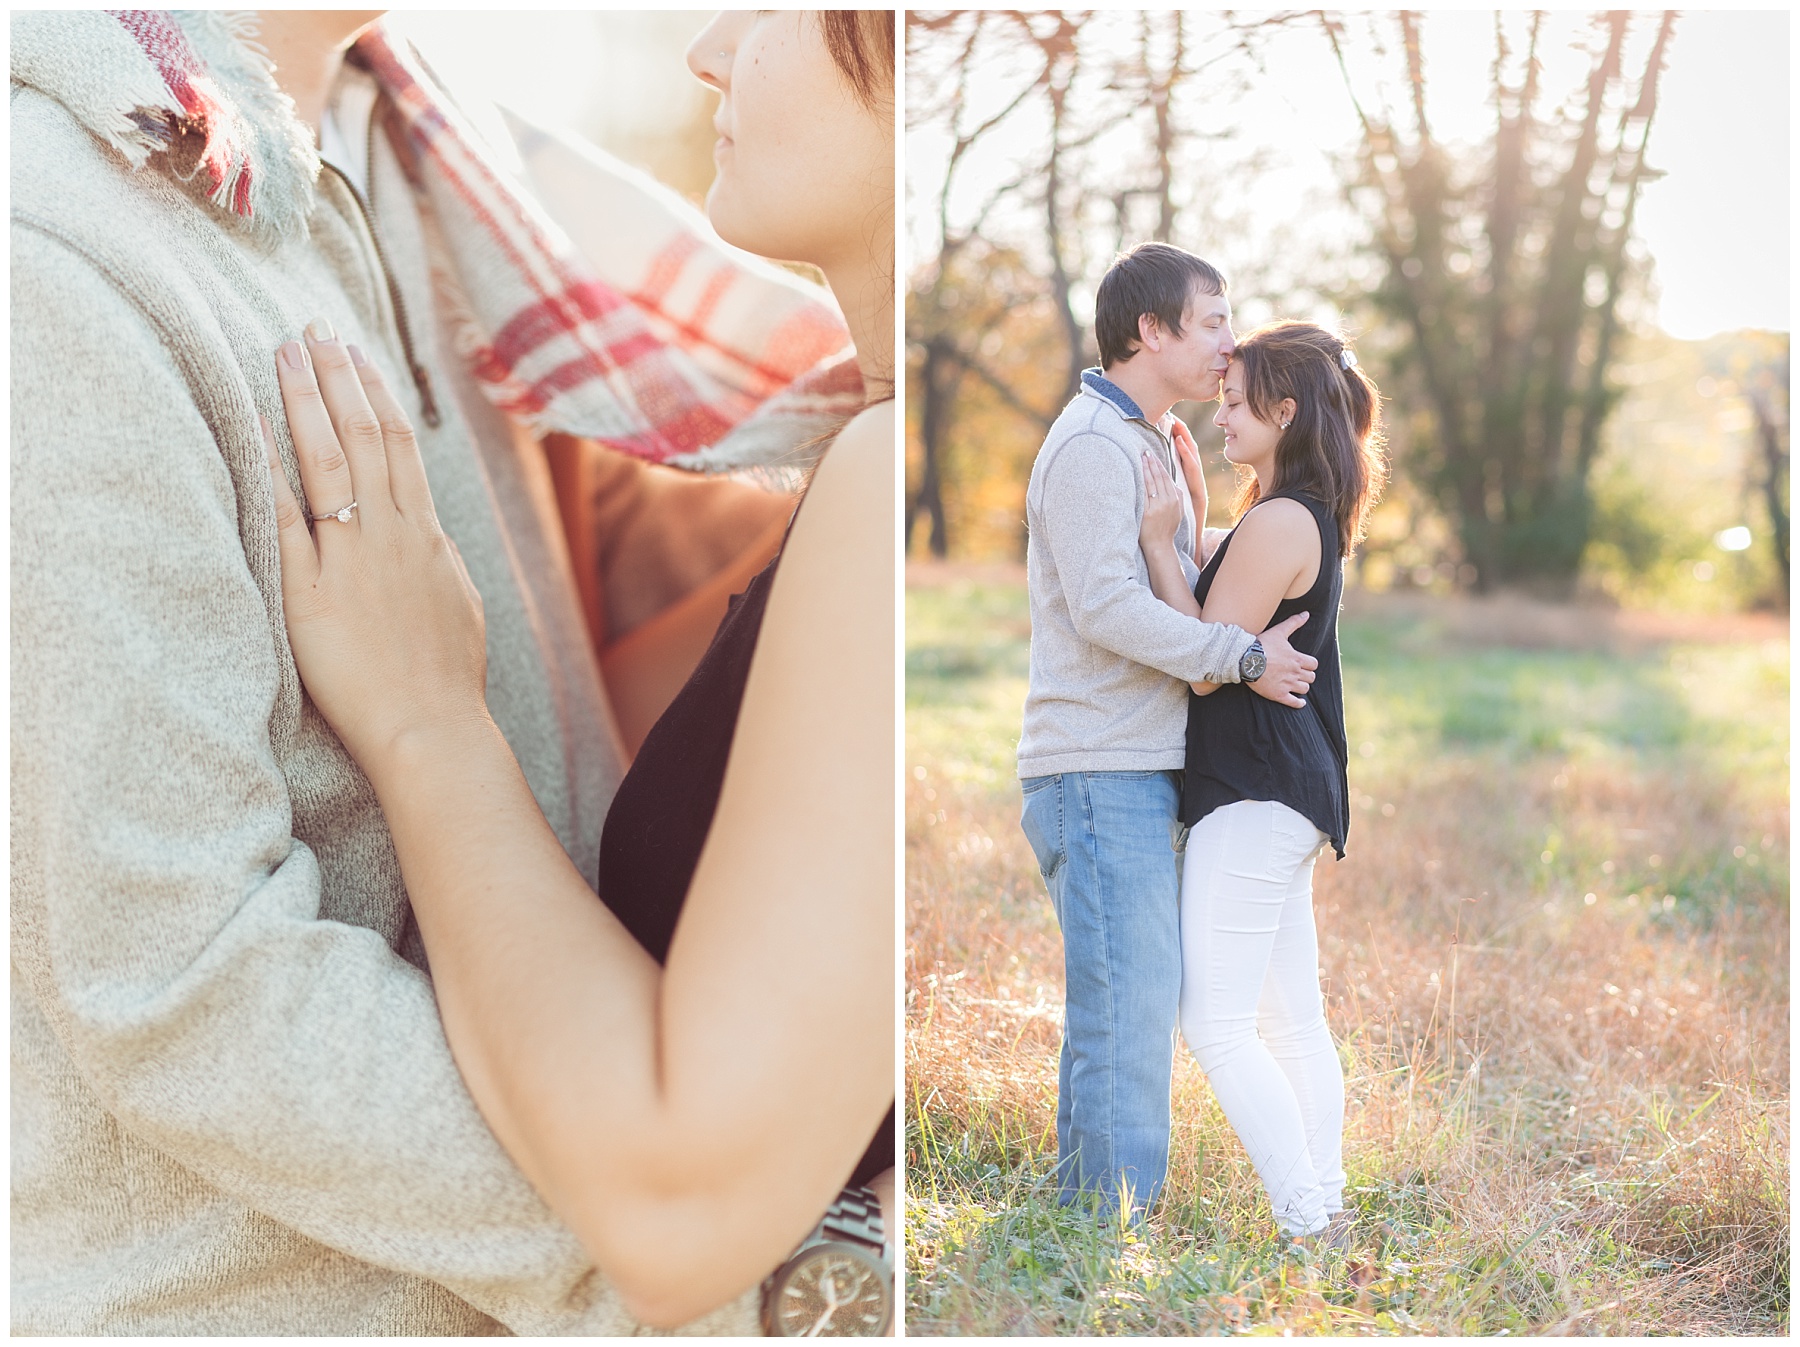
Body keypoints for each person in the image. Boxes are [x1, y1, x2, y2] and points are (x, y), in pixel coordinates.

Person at [11, 8, 862, 1336]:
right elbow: (175, 971)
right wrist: (720, 1258)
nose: (715, 34)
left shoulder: (462, 196)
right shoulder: (54, 256)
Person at [259, 8, 895, 1333]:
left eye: (779, 6)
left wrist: (431, 717)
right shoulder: (853, 479)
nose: (711, 44)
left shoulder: (882, 482)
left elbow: (681, 1211)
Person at [1017, 242, 1320, 1218]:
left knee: (1126, 998)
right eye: (1214, 321)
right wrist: (1239, 657)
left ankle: (1086, 1213)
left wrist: (1197, 532)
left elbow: (1174, 576)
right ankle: (1102, 1232)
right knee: (1133, 1005)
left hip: (1136, 766)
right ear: (1151, 332)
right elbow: (1106, 605)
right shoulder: (1096, 447)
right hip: (1097, 766)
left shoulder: (1144, 440)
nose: (1229, 342)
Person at [1136, 320, 1387, 1246]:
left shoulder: (1280, 519)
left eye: (1237, 403)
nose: (1220, 413)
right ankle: (1325, 1203)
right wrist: (1201, 512)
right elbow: (1232, 633)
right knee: (1290, 1020)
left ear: (1284, 412)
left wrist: (1164, 543)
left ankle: (1305, 1219)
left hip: (1252, 787)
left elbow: (1206, 658)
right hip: (1286, 789)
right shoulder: (1299, 511)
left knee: (1218, 1023)